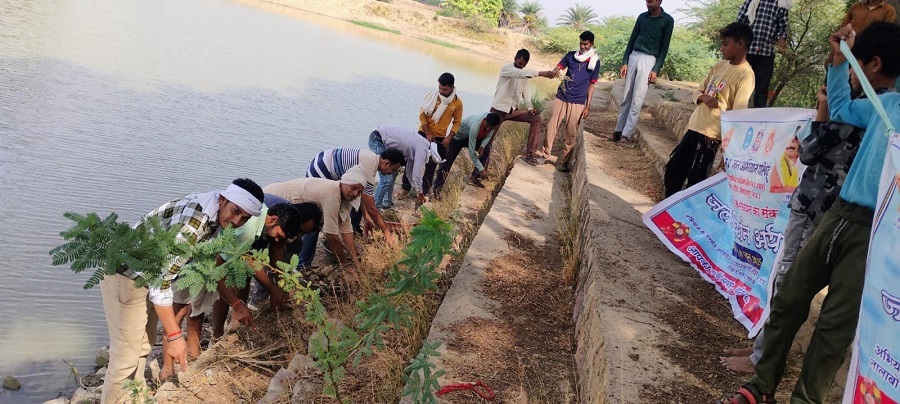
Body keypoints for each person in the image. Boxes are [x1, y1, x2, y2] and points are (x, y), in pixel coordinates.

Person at [716, 22, 900, 404]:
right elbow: (844, 108)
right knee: (790, 296)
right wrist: (837, 62)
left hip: (873, 232)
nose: (854, 70)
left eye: (856, 62)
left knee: (834, 324)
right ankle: (761, 386)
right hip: (839, 214)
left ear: (875, 63)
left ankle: (805, 399)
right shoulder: (886, 105)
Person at [100, 178, 264, 404]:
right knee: (125, 358)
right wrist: (176, 336)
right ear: (224, 199)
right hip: (126, 274)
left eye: (244, 218)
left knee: (143, 345)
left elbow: (208, 263)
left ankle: (134, 399)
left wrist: (236, 304)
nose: (237, 221)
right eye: (235, 212)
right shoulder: (193, 224)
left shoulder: (215, 214)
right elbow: (162, 282)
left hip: (148, 275)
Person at [165, 201, 318, 379]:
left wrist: (280, 287)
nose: (277, 239)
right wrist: (238, 305)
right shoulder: (247, 229)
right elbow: (217, 272)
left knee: (219, 294)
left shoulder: (269, 226)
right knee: (187, 311)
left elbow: (268, 251)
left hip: (223, 255)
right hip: (200, 258)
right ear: (273, 220)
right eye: (278, 235)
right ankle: (179, 367)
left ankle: (196, 357)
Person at [663, 22, 755, 197]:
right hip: (694, 127)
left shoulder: (746, 75)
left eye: (725, 44)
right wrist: (703, 97)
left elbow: (738, 116)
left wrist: (729, 150)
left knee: (696, 179)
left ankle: (686, 219)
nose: (721, 48)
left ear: (740, 44)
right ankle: (666, 212)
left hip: (711, 136)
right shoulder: (719, 66)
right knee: (674, 170)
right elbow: (698, 90)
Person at [263, 168, 366, 269]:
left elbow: (347, 230)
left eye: (359, 192)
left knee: (303, 236)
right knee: (274, 243)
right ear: (344, 182)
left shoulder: (346, 197)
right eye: (353, 188)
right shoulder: (332, 194)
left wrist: (356, 263)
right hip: (273, 203)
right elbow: (331, 236)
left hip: (298, 214)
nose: (355, 194)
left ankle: (297, 268)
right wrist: (345, 266)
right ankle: (298, 267)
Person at [609, 0, 674, 145]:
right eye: (646, 1)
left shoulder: (668, 20)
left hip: (649, 59)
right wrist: (625, 61)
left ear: (659, 1)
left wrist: (656, 69)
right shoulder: (642, 17)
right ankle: (618, 130)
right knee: (626, 95)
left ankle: (626, 134)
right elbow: (632, 40)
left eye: (651, 1)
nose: (648, 4)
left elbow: (664, 47)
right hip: (634, 56)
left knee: (637, 97)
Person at [306, 147, 405, 241]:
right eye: (393, 170)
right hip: (321, 171)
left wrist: (366, 216)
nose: (392, 173)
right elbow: (371, 207)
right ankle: (311, 250)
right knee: (318, 215)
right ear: (387, 164)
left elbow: (362, 195)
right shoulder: (369, 168)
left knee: (352, 198)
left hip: (322, 160)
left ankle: (346, 232)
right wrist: (386, 231)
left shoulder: (371, 159)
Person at [539, 31, 602, 172]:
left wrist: (587, 106)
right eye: (581, 43)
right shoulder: (570, 56)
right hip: (562, 95)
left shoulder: (594, 62)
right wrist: (554, 72)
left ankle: (564, 161)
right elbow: (559, 67)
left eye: (585, 44)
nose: (582, 46)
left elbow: (592, 85)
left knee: (571, 132)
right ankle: (545, 154)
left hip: (578, 101)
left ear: (591, 44)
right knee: (551, 126)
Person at [401, 72, 462, 198]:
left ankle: (423, 193)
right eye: (439, 88)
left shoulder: (457, 103)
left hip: (440, 138)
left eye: (444, 89)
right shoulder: (432, 97)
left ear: (451, 87)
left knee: (431, 166)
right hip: (423, 133)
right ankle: (405, 188)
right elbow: (422, 115)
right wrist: (427, 133)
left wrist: (448, 138)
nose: (441, 91)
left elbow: (457, 123)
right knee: (412, 160)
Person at [492, 49, 556, 165]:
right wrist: (542, 73)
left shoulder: (524, 74)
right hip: (499, 110)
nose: (521, 66)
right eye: (519, 63)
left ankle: (530, 154)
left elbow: (526, 94)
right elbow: (519, 73)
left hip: (512, 110)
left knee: (536, 118)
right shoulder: (507, 69)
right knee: (488, 141)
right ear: (515, 58)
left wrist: (530, 108)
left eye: (523, 65)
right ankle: (478, 173)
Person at [736, 0, 790, 108]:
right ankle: (733, 113)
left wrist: (781, 41)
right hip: (746, 50)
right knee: (737, 82)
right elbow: (740, 22)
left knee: (762, 88)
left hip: (766, 53)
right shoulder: (751, 1)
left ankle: (758, 118)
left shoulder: (781, 4)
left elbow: (782, 28)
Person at [369, 124, 437, 209]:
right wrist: (420, 193)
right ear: (432, 155)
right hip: (378, 140)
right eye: (432, 160)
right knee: (386, 179)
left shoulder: (422, 145)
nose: (430, 162)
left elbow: (409, 171)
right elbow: (416, 175)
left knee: (393, 173)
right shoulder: (422, 149)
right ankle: (374, 209)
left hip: (382, 140)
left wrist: (416, 189)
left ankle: (387, 204)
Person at [433, 112, 502, 194]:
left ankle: (474, 177)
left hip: (471, 137)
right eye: (486, 126)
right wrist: (481, 168)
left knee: (487, 148)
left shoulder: (492, 122)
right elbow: (471, 152)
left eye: (491, 128)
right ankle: (436, 191)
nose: (487, 130)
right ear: (484, 120)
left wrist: (482, 145)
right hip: (457, 138)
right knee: (446, 164)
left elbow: (489, 135)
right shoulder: (475, 126)